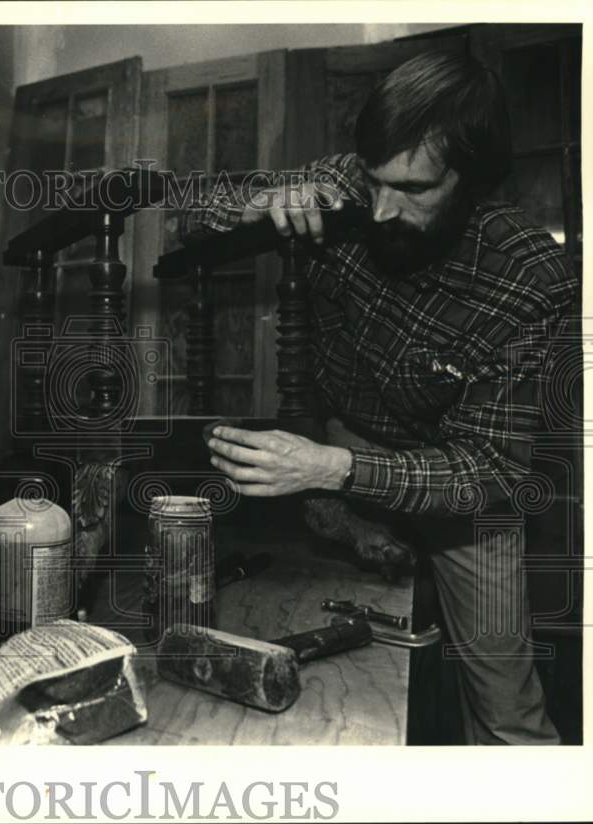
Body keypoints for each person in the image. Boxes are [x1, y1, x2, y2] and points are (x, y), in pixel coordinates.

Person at [183, 51, 577, 744]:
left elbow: (495, 470)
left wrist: (328, 469)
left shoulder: (531, 277)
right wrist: (253, 206)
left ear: (473, 183)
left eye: (413, 188)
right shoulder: (348, 182)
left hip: (464, 485)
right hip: (346, 435)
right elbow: (191, 224)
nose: (382, 209)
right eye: (373, 179)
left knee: (509, 716)